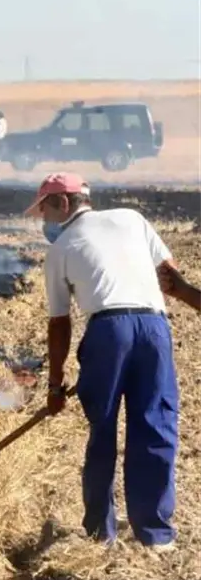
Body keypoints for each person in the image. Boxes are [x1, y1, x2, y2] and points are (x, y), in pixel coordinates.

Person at [26, 171, 181, 551]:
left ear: (62, 203)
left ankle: (101, 532)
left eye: (45, 211)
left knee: (103, 429)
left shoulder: (60, 250)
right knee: (155, 424)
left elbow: (59, 324)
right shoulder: (132, 218)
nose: (44, 221)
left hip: (108, 331)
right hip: (154, 327)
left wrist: (55, 386)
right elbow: (170, 276)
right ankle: (155, 534)